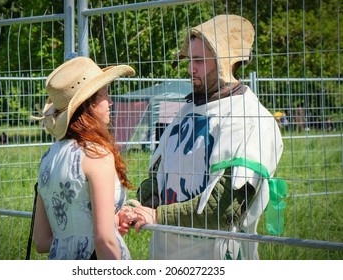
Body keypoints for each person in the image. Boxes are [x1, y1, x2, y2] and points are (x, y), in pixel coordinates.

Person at [119, 14, 284, 260]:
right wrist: (139, 205)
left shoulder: (251, 120)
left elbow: (224, 208)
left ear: (225, 62)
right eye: (190, 59)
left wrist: (157, 215)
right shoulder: (187, 111)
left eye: (199, 60)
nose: (189, 68)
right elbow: (159, 175)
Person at [31, 56, 136, 260]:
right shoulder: (97, 155)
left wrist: (103, 226)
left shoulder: (48, 158)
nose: (110, 102)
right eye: (104, 95)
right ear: (88, 105)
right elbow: (104, 240)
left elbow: (42, 241)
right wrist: (102, 235)